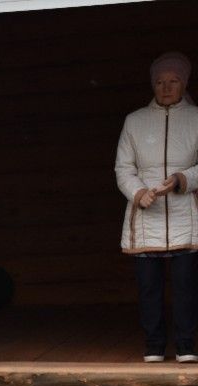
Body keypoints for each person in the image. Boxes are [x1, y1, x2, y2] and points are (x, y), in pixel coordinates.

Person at [115, 50, 198, 363]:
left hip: (184, 216)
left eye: (174, 81)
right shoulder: (134, 121)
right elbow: (123, 168)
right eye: (161, 81)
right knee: (149, 287)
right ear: (153, 84)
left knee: (185, 287)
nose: (166, 87)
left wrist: (181, 178)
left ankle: (186, 346)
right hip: (146, 216)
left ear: (183, 83)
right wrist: (139, 194)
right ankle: (153, 346)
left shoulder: (196, 118)